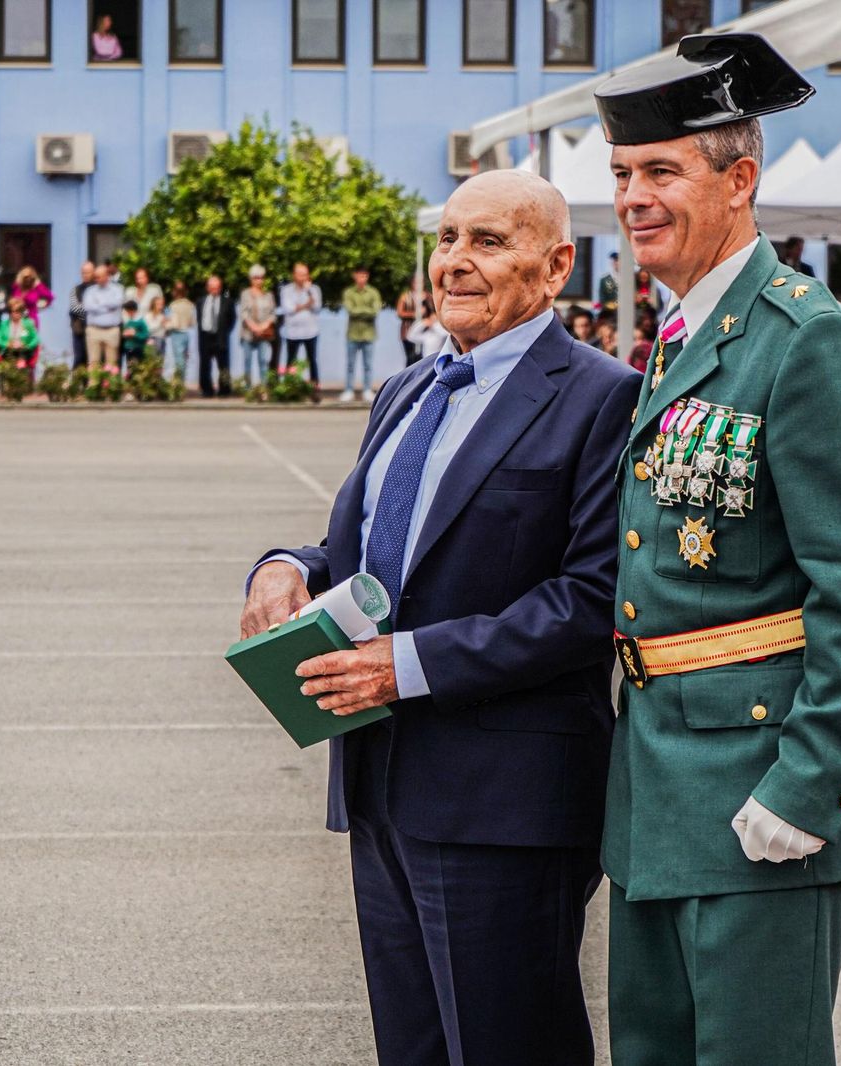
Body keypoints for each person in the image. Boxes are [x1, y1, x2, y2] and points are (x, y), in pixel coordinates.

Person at [240, 168, 635, 1066]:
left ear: (556, 266)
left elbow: (590, 599)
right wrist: (285, 567)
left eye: (488, 242)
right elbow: (374, 550)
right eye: (449, 238)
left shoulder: (604, 395)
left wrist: (403, 664)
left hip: (503, 799)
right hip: (379, 779)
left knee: (508, 1048)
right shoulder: (410, 389)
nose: (454, 262)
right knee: (411, 1049)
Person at [596, 34, 841, 1066]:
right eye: (622, 174)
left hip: (758, 784)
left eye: (659, 171)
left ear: (738, 180)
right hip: (657, 782)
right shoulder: (681, 333)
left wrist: (810, 781)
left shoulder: (804, 339)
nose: (634, 196)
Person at [280, 262, 324, 386]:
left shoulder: (314, 289)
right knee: (291, 360)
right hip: (292, 332)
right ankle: (289, 385)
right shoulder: (286, 290)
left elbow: (317, 307)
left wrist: (308, 292)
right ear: (294, 275)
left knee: (312, 360)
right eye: (300, 274)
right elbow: (288, 309)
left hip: (311, 331)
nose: (303, 277)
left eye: (305, 274)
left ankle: (315, 386)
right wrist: (306, 304)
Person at [341, 267, 381, 402]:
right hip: (352, 334)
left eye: (364, 276)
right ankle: (348, 390)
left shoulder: (373, 292)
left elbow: (375, 311)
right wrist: (366, 310)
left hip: (369, 334)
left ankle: (367, 390)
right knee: (350, 365)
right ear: (355, 276)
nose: (361, 278)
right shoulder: (349, 292)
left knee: (368, 365)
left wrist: (360, 311)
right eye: (359, 275)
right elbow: (350, 311)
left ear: (367, 277)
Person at [196, 274, 236, 398]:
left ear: (220, 288)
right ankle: (207, 390)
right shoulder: (200, 301)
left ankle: (224, 390)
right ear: (207, 288)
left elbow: (232, 319)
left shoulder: (228, 302)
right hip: (205, 337)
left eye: (217, 287)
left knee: (223, 364)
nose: (215, 290)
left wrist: (224, 332)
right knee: (205, 365)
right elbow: (199, 318)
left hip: (220, 336)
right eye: (212, 287)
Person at [238, 265, 277, 388]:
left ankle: (264, 388)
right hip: (248, 333)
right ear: (251, 279)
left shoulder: (268, 295)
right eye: (256, 278)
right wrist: (254, 327)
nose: (259, 280)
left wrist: (263, 326)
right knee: (247, 361)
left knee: (263, 361)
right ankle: (248, 389)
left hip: (264, 334)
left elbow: (273, 314)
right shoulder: (245, 294)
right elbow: (244, 314)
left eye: (261, 277)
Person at [81, 263, 124, 372]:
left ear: (106, 276)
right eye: (95, 277)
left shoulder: (117, 289)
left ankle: (109, 388)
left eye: (99, 277)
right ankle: (93, 388)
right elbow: (88, 306)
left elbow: (116, 303)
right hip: (94, 330)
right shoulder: (90, 291)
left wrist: (99, 305)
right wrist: (107, 307)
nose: (96, 279)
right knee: (93, 363)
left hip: (111, 330)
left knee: (111, 364)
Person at [163, 281, 195, 388]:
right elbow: (192, 322)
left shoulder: (173, 305)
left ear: (175, 292)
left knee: (178, 359)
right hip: (186, 333)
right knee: (184, 359)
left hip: (176, 333)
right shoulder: (190, 305)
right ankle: (182, 381)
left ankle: (179, 383)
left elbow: (170, 321)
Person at [0, 297, 39, 373]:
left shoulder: (28, 323)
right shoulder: (4, 324)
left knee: (23, 353)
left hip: (24, 352)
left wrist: (26, 345)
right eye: (11, 311)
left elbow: (36, 339)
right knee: (8, 356)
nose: (14, 314)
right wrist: (7, 344)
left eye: (17, 311)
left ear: (21, 312)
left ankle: (21, 369)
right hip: (8, 352)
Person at [69, 261, 94, 369]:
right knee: (79, 359)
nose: (85, 275)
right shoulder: (75, 289)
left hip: (94, 330)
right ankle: (76, 383)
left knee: (93, 360)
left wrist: (87, 308)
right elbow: (74, 308)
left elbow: (98, 308)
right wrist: (88, 309)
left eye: (88, 272)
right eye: (83, 272)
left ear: (93, 273)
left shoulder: (97, 289)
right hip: (79, 332)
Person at [394, 274, 423, 365]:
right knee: (410, 357)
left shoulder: (428, 296)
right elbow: (399, 312)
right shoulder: (405, 297)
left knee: (421, 358)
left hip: (423, 332)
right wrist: (414, 314)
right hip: (408, 331)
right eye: (416, 282)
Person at [119, 300, 149, 370]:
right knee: (130, 368)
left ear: (134, 310)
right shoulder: (128, 322)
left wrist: (135, 334)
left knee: (137, 368)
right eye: (127, 312)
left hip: (137, 348)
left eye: (129, 312)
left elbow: (145, 335)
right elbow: (124, 333)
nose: (128, 314)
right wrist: (124, 334)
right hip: (128, 348)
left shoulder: (141, 322)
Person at [143, 293, 168, 358]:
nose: (161, 306)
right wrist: (160, 324)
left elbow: (165, 331)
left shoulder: (163, 316)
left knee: (161, 363)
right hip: (151, 340)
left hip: (162, 340)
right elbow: (148, 330)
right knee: (152, 362)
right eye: (158, 304)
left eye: (162, 304)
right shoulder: (148, 316)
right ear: (153, 305)